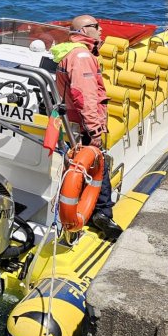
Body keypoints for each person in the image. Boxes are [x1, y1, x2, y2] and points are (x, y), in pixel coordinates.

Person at [51, 15, 120, 239]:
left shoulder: (70, 52)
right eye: (97, 27)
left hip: (70, 122)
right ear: (84, 30)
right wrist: (95, 130)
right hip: (82, 124)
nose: (101, 31)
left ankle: (82, 209)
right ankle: (101, 214)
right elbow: (85, 96)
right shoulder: (82, 56)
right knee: (97, 164)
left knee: (76, 165)